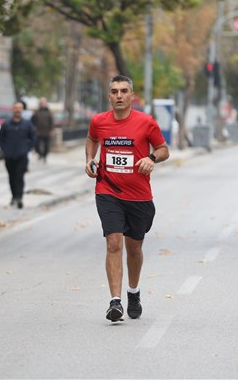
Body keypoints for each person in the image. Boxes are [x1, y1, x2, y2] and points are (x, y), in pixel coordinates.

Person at [85, 75, 169, 322]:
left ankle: (133, 292)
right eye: (114, 91)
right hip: (107, 191)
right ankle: (115, 302)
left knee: (134, 249)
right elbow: (92, 139)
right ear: (109, 96)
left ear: (132, 96)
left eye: (124, 91)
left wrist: (151, 159)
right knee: (113, 243)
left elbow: (163, 150)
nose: (119, 95)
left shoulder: (146, 122)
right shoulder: (99, 121)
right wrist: (90, 159)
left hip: (139, 196)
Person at [0, 102, 36, 209]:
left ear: (22, 110)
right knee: (11, 176)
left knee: (19, 176)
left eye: (20, 108)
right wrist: (5, 149)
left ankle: (19, 197)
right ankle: (14, 196)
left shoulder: (27, 124)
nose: (18, 110)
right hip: (9, 156)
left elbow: (33, 138)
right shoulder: (6, 124)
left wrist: (27, 148)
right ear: (12, 109)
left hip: (22, 156)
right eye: (16, 108)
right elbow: (0, 139)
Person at [31, 97, 54, 163]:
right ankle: (40, 154)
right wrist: (33, 127)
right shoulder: (36, 112)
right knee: (37, 144)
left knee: (46, 146)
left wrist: (51, 130)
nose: (42, 104)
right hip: (38, 131)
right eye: (41, 103)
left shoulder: (49, 112)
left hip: (47, 131)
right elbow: (32, 120)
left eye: (43, 103)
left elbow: (51, 122)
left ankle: (45, 156)